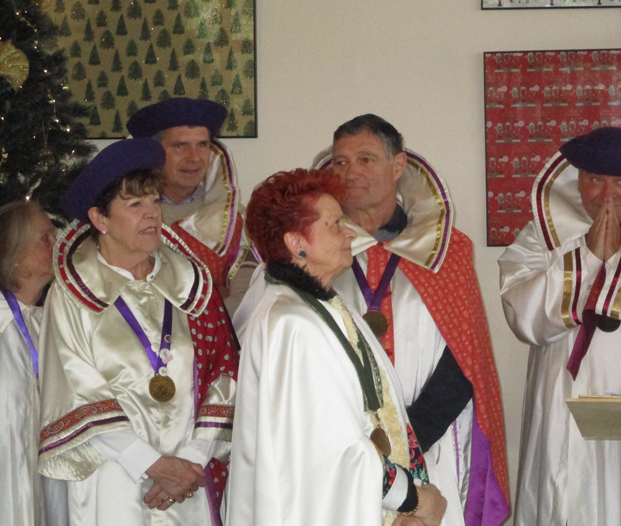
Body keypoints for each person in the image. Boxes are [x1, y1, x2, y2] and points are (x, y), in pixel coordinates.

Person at [311, 114, 510, 526]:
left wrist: (409, 436)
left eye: (366, 159)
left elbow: (465, 357)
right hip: (342, 442)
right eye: (341, 162)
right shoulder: (316, 254)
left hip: (430, 441)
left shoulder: (446, 250)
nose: (351, 173)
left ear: (398, 165)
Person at [498, 127, 621, 526]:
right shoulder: (541, 238)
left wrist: (614, 272)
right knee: (563, 496)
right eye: (595, 179)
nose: (607, 194)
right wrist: (588, 258)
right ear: (577, 180)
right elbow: (522, 315)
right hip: (561, 401)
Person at [225, 168, 446, 526]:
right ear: (296, 242)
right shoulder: (292, 324)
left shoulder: (324, 304)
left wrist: (409, 504)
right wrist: (414, 499)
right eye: (335, 225)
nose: (349, 233)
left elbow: (386, 412)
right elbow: (335, 448)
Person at [38, 139, 237, 525]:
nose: (152, 214)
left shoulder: (190, 284)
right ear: (100, 219)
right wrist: (152, 464)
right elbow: (74, 390)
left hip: (188, 478)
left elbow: (224, 371)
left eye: (155, 201)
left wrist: (191, 460)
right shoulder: (73, 294)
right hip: (112, 479)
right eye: (134, 205)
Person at [127, 97, 254, 313]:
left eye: (202, 145)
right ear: (154, 152)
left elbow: (246, 294)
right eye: (180, 145)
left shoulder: (231, 217)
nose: (194, 158)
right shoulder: (128, 216)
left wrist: (211, 320)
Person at [0, 201, 68, 526]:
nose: (57, 244)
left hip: (42, 478)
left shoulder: (46, 321)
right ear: (14, 256)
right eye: (45, 238)